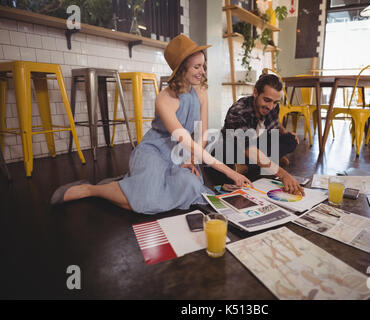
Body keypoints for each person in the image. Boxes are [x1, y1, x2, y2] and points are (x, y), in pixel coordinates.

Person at [51, 35, 252, 214]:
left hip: (182, 153)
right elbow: (184, 138)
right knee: (141, 201)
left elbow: (201, 135)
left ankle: (128, 184)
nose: (202, 72)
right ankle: (93, 189)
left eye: (203, 66)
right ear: (182, 68)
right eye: (196, 67)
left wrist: (191, 158)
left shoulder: (201, 92)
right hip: (155, 150)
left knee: (190, 185)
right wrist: (230, 172)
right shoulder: (164, 99)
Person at [215, 73, 304, 195]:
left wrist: (285, 131)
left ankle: (247, 166)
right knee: (224, 157)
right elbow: (249, 149)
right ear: (255, 92)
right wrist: (283, 174)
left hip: (257, 144)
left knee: (291, 139)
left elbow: (276, 125)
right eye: (267, 100)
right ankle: (265, 161)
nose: (271, 106)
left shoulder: (273, 107)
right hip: (235, 148)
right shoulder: (239, 110)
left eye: (275, 102)